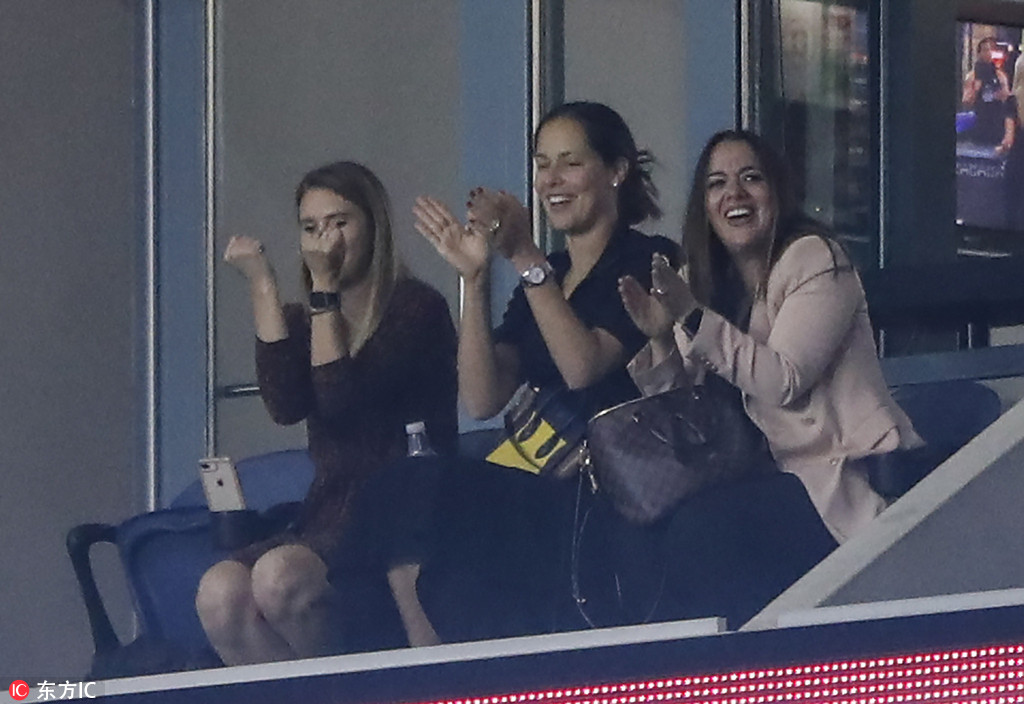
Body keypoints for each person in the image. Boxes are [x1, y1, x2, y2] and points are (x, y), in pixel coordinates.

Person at [329, 101, 679, 649]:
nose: (551, 180)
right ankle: (417, 666)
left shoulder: (647, 257)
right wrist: (475, 280)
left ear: (617, 170)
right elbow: (482, 397)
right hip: (529, 478)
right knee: (398, 493)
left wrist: (523, 254)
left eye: (570, 163)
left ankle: (431, 670)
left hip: (598, 494)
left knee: (420, 490)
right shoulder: (550, 273)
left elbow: (583, 367)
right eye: (542, 164)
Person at [194, 161, 458, 665]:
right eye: (311, 227)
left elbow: (338, 400)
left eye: (340, 223)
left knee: (280, 580)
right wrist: (263, 287)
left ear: (372, 226)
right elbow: (284, 404)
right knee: (219, 593)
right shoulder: (304, 318)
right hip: (328, 510)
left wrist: (323, 291)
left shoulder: (415, 307)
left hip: (398, 513)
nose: (325, 240)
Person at [620, 129, 923, 548]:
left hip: (828, 481)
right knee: (645, 527)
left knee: (700, 532)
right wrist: (660, 340)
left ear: (777, 192)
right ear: (703, 207)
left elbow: (783, 381)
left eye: (751, 178)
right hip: (746, 480)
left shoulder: (815, 258)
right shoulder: (700, 282)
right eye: (717, 184)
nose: (734, 194)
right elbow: (687, 419)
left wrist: (691, 316)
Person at [962, 37, 1014, 154]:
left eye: (991, 50)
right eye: (985, 50)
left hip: (997, 124)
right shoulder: (972, 76)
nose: (988, 53)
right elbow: (966, 101)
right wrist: (976, 89)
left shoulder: (1000, 75)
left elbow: (1008, 98)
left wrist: (1001, 94)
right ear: (979, 53)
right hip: (980, 122)